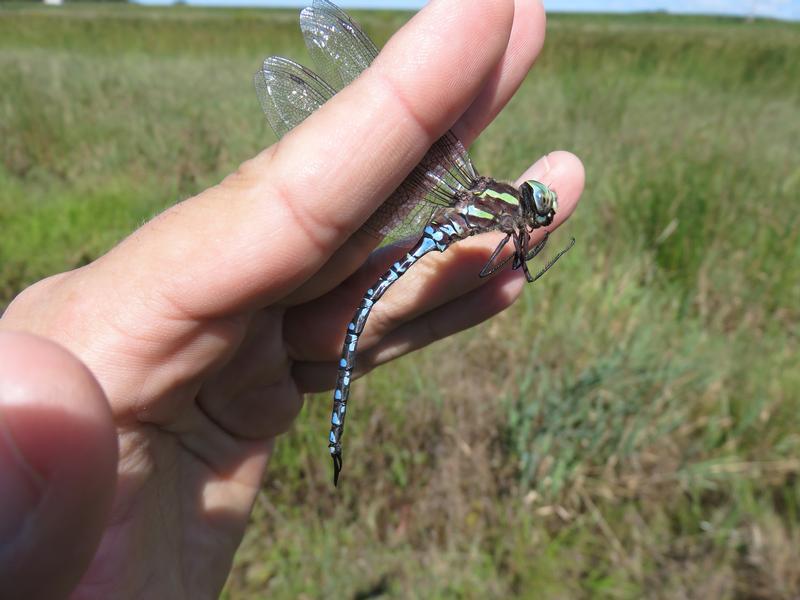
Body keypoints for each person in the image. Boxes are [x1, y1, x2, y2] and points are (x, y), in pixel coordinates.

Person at [0, 0, 584, 597]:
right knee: (363, 315)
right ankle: (334, 431)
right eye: (538, 202)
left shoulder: (499, 213)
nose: (539, 208)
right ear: (524, 202)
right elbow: (499, 260)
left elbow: (497, 261)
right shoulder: (503, 215)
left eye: (538, 204)